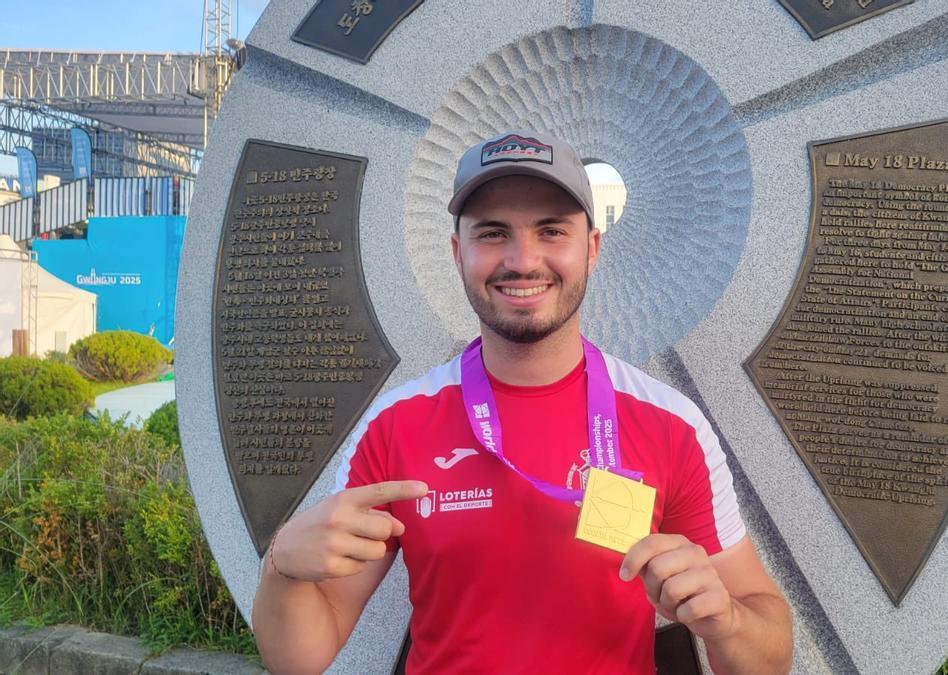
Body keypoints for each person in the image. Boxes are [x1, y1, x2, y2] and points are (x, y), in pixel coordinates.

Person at [253, 131, 793, 674]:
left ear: (592, 247)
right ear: (457, 251)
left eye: (551, 230)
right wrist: (282, 566)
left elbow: (769, 657)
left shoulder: (671, 425)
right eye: (492, 233)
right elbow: (298, 659)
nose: (523, 259)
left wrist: (725, 621)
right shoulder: (396, 424)